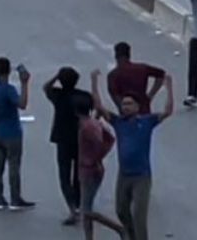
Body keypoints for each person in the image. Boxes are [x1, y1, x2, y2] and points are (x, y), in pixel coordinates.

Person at [98, 68, 174, 240]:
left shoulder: (147, 121)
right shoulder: (118, 123)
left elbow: (168, 111)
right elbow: (99, 108)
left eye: (130, 104)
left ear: (138, 107)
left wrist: (169, 87)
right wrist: (95, 82)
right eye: (124, 104)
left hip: (142, 176)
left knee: (139, 216)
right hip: (124, 175)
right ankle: (130, 236)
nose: (126, 107)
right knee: (121, 210)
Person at [44, 66, 95, 225]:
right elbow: (94, 108)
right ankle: (79, 205)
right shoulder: (85, 96)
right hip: (82, 139)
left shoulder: (58, 95)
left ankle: (72, 208)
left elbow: (46, 87)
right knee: (79, 174)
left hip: (63, 139)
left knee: (64, 175)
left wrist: (55, 76)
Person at [0, 57, 36, 211]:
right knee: (13, 165)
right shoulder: (9, 89)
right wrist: (24, 83)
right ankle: (15, 198)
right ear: (8, 71)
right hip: (11, 132)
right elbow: (22, 104)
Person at [73, 94, 122, 239]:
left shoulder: (87, 127)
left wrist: (94, 158)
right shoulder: (92, 123)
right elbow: (109, 139)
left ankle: (117, 228)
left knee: (86, 210)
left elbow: (101, 143)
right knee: (86, 208)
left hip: (89, 169)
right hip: (89, 168)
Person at [106, 43, 166, 115]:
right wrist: (151, 95)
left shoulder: (112, 75)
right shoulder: (142, 68)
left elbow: (116, 98)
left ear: (116, 56)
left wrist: (123, 108)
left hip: (126, 115)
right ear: (129, 55)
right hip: (144, 110)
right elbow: (161, 74)